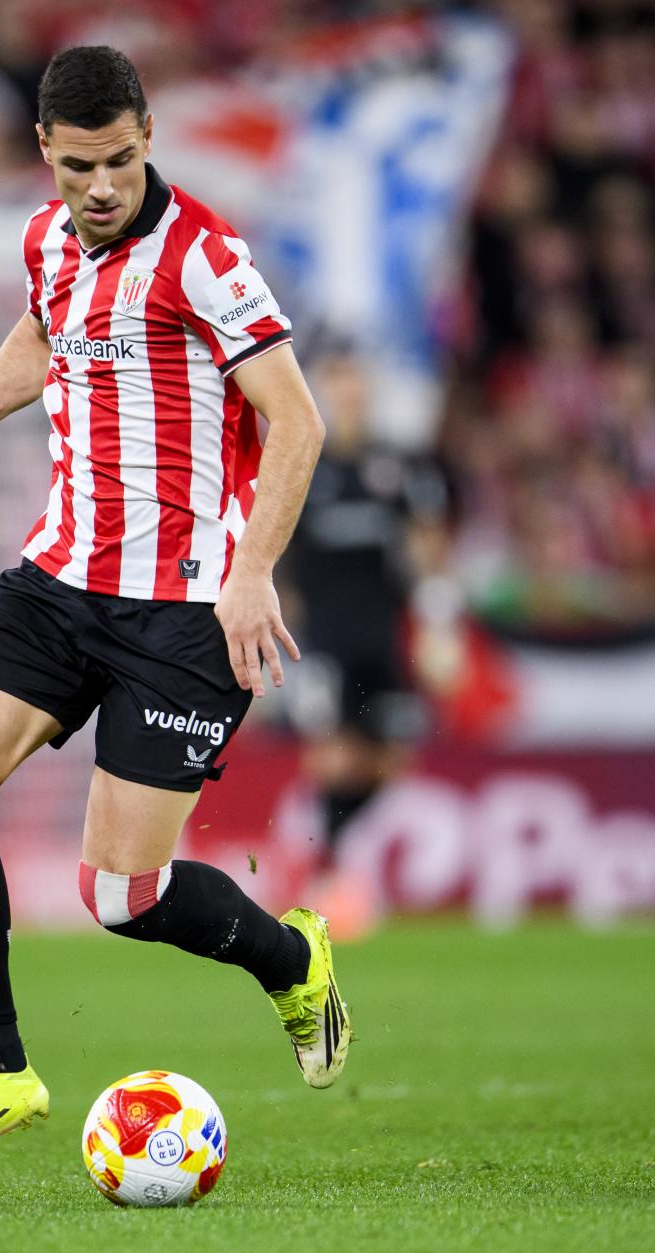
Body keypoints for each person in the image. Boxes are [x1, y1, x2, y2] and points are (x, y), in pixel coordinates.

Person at [0, 46, 350, 1172]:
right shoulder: (48, 237)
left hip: (187, 611)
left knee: (120, 891)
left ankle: (291, 965)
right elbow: (48, 332)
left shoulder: (205, 255)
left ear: (148, 133)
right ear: (45, 151)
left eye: (121, 161)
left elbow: (296, 422)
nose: (100, 188)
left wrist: (249, 571)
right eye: (79, 167)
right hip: (60, 581)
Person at [281, 349, 452, 938]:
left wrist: (437, 618)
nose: (350, 391)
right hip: (326, 641)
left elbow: (428, 543)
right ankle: (328, 878)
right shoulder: (306, 464)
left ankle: (339, 858)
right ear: (328, 390)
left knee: (389, 760)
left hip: (384, 635)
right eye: (340, 380)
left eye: (357, 380)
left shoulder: (398, 465)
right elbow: (280, 552)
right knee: (333, 755)